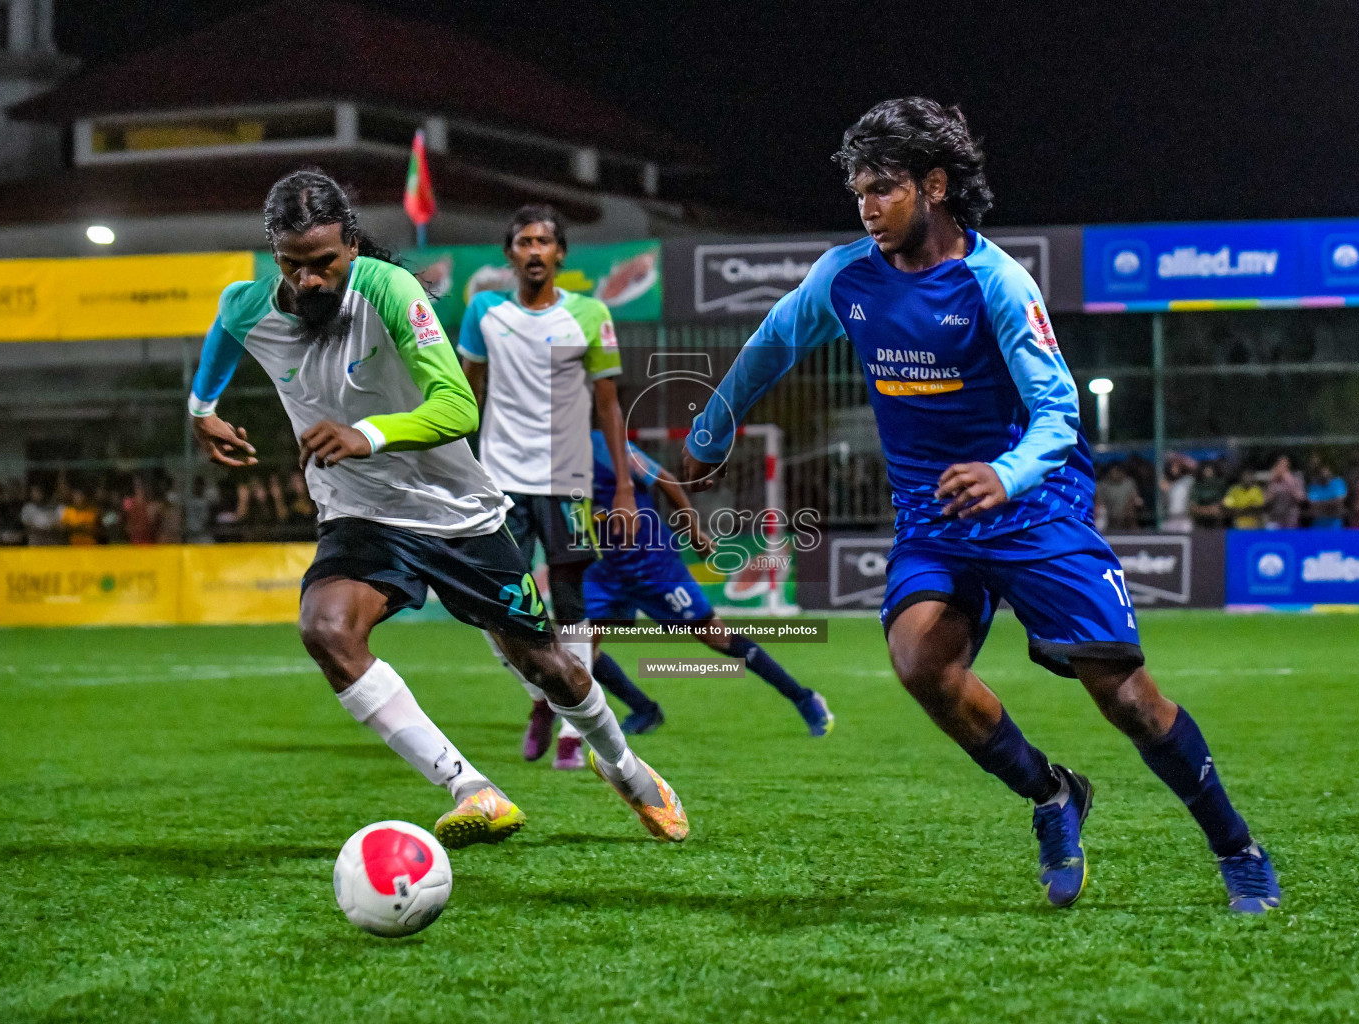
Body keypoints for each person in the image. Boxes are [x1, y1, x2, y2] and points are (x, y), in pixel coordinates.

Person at [680, 98, 1277, 912]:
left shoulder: (996, 281)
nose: (867, 207)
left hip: (1033, 506)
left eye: (884, 188)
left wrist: (1005, 472)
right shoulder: (846, 275)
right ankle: (1052, 795)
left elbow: (1058, 410)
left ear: (934, 185)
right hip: (935, 516)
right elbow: (769, 347)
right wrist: (711, 434)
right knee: (920, 662)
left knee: (1126, 699)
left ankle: (1237, 847)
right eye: (858, 190)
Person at [187, 169, 686, 846]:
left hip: (456, 513)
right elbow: (224, 334)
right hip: (358, 516)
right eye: (294, 266)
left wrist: (366, 435)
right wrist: (202, 410)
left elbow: (458, 406)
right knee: (326, 629)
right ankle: (471, 788)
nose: (310, 281)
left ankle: (625, 767)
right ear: (276, 256)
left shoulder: (389, 290)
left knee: (550, 668)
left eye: (325, 264)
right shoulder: (249, 305)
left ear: (353, 248)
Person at [457, 204, 640, 770]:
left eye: (544, 242)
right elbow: (466, 395)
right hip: (499, 480)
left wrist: (626, 489)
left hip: (567, 476)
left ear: (560, 254)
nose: (534, 251)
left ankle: (570, 727)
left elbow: (609, 405)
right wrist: (453, 470)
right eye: (523, 241)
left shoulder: (588, 314)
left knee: (570, 603)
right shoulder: (483, 312)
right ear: (509, 253)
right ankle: (541, 693)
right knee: (491, 602)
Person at [584, 428, 835, 736]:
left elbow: (666, 479)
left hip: (654, 566)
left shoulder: (604, 445)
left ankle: (804, 698)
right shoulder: (544, 462)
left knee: (717, 637)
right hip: (604, 570)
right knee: (581, 650)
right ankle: (644, 710)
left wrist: (693, 532)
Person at [1095, 463, 1141, 532]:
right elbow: (1100, 502)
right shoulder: (1102, 485)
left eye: (1116, 471)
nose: (1114, 474)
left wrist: (1125, 511)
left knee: (1132, 509)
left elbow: (1134, 498)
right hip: (1109, 515)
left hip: (1126, 515)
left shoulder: (1129, 483)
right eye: (1112, 472)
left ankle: (1135, 532)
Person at [1263, 456, 1305, 529]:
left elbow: (1301, 499)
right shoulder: (1274, 482)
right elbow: (1266, 501)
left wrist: (1289, 483)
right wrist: (1271, 482)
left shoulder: (1296, 480)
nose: (1281, 468)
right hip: (1275, 520)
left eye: (1284, 466)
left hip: (1292, 520)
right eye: (1279, 465)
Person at [1305, 461, 1347, 528]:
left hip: (1335, 526)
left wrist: (1320, 505)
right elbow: (1312, 506)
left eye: (1326, 469)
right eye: (1321, 469)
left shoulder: (1338, 482)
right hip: (1316, 527)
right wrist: (1331, 503)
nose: (1324, 472)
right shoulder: (1313, 486)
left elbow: (1339, 502)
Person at [1159, 455, 1195, 533]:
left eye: (1177, 466)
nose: (1174, 469)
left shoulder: (1187, 480)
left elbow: (1195, 467)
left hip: (1184, 519)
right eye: (1173, 466)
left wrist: (1179, 458)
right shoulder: (1164, 482)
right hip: (1169, 519)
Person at [1188, 462, 1227, 529]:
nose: (1208, 472)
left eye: (1210, 470)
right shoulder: (1197, 486)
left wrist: (1217, 509)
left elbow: (1224, 503)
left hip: (1217, 523)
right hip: (1200, 521)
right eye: (1206, 470)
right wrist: (1207, 510)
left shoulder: (1220, 484)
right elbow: (1192, 506)